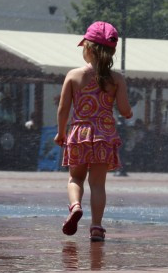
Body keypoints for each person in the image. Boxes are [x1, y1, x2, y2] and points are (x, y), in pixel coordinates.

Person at [55, 21, 133, 242]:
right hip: (104, 136)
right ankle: (97, 227)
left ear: (87, 49)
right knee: (98, 184)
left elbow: (63, 109)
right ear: (112, 51)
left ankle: (75, 206)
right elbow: (125, 109)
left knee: (75, 178)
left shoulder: (73, 76)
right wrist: (128, 114)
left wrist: (61, 133)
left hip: (79, 133)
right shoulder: (116, 79)